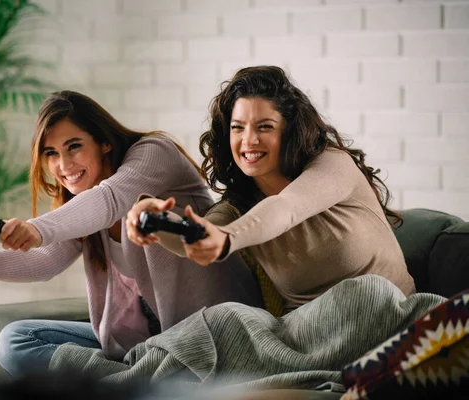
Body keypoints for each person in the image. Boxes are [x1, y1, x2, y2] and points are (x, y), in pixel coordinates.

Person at [0, 91, 263, 376]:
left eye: (74, 147)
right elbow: (46, 261)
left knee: (143, 220)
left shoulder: (154, 152)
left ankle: (128, 383)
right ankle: (135, 383)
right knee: (16, 340)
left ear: (104, 142)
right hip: (144, 348)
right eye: (50, 153)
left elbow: (109, 199)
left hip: (208, 337)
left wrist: (34, 228)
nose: (63, 164)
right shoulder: (83, 207)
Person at [126, 65, 415, 313]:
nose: (248, 140)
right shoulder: (240, 207)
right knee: (221, 321)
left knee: (364, 293)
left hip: (386, 314)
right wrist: (150, 216)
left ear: (289, 131)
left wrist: (227, 237)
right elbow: (195, 238)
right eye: (238, 128)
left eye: (264, 126)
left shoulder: (333, 164)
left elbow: (286, 208)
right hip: (310, 335)